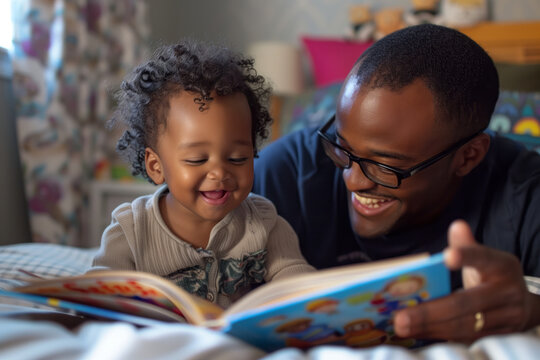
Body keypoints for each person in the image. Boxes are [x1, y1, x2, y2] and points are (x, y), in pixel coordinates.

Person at [253, 24, 540, 343]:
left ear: (468, 157)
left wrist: (532, 309)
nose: (353, 180)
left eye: (384, 165)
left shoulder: (527, 197)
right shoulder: (284, 174)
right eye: (343, 146)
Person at [90, 40, 314, 309]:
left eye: (237, 158)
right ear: (155, 166)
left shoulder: (265, 223)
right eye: (197, 159)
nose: (220, 172)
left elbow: (295, 279)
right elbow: (96, 298)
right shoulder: (131, 232)